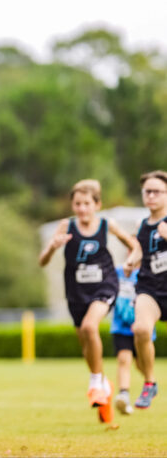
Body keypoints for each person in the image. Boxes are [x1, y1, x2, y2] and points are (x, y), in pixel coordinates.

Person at [39, 179, 138, 423]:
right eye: (77, 204)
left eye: (87, 204)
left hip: (104, 286)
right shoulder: (66, 226)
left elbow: (134, 245)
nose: (82, 209)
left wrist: (130, 261)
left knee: (89, 327)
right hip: (76, 292)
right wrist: (52, 247)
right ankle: (103, 384)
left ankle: (95, 382)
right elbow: (42, 261)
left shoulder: (107, 225)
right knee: (85, 344)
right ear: (72, 205)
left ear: (97, 204)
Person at [126, 170, 167, 409]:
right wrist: (131, 260)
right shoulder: (143, 225)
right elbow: (140, 250)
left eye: (157, 191)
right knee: (141, 329)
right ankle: (149, 383)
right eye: (147, 191)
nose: (151, 196)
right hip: (150, 288)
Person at [111, 265, 153, 415]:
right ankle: (124, 395)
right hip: (121, 327)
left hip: (142, 327)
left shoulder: (148, 273)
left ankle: (150, 384)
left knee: (142, 365)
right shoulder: (117, 272)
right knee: (124, 359)